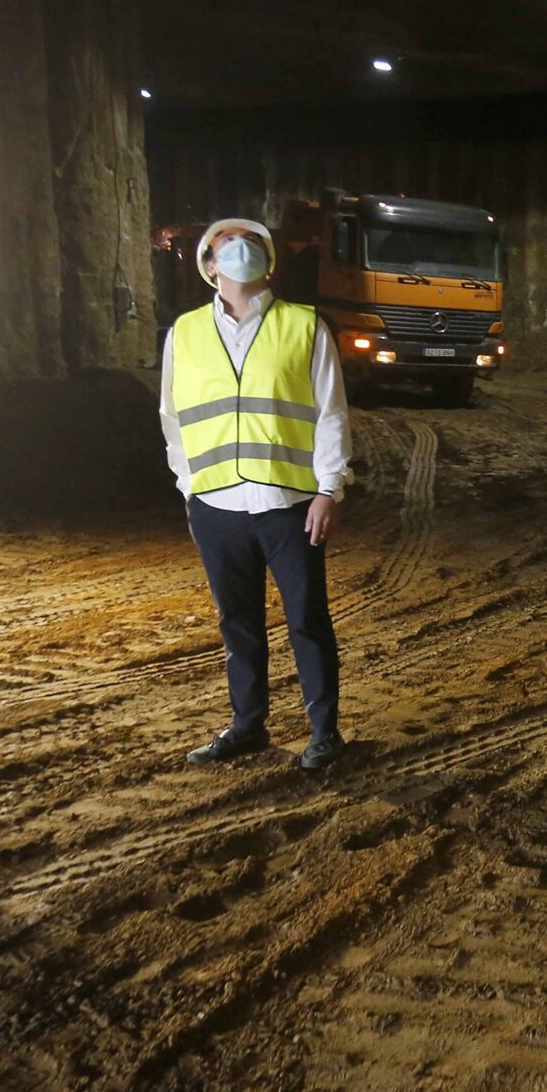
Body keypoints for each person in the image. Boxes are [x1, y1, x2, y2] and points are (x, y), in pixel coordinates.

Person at [161, 218, 350, 771]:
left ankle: (324, 733)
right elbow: (172, 417)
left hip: (290, 504)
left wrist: (328, 489)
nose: (237, 246)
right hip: (216, 505)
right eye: (224, 242)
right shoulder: (185, 332)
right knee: (236, 622)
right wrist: (189, 486)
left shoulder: (305, 326)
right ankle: (248, 726)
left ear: (268, 261)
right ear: (208, 264)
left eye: (251, 240)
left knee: (307, 620)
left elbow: (331, 413)